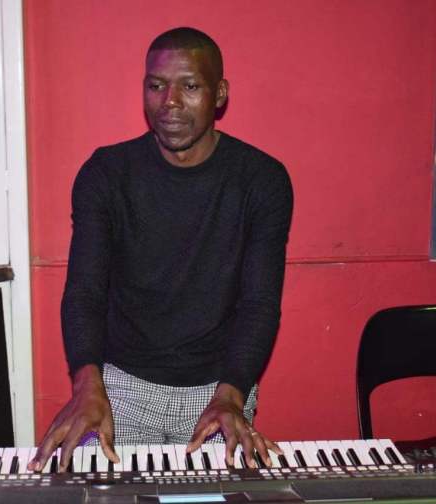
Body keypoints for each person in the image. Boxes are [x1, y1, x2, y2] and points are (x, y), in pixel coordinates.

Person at [28, 27, 293, 474]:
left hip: (220, 389)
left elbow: (259, 303)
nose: (169, 102)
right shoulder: (106, 174)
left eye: (189, 86)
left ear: (219, 94)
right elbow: (85, 292)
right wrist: (87, 384)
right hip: (119, 390)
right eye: (156, 85)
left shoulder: (261, 180)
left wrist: (231, 394)